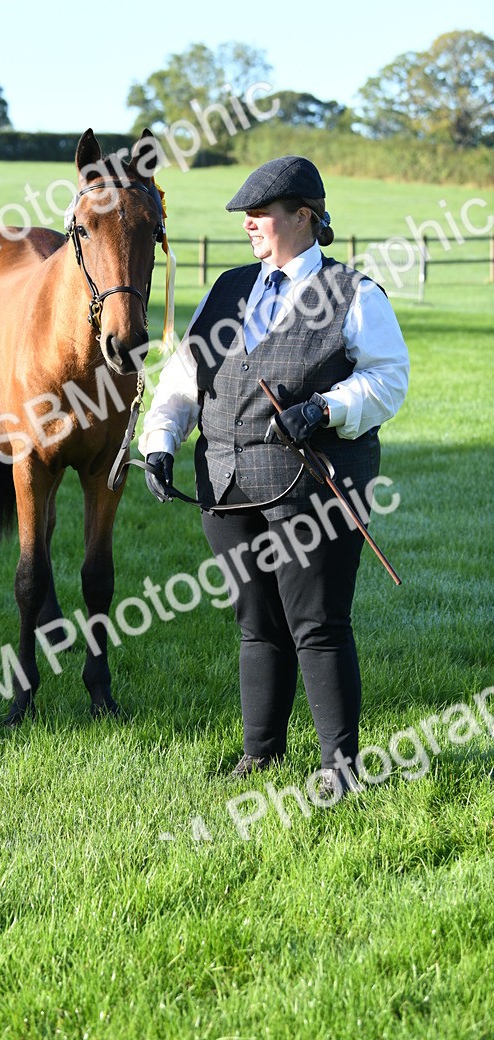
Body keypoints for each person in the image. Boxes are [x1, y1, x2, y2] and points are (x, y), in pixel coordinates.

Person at [139, 156, 409, 800]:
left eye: (261, 214)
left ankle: (340, 770)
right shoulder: (228, 288)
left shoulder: (355, 293)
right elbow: (183, 378)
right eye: (246, 215)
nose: (250, 224)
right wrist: (161, 441)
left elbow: (387, 380)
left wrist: (327, 408)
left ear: (304, 218)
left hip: (315, 489)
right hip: (226, 485)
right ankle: (260, 754)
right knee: (256, 622)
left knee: (316, 624)